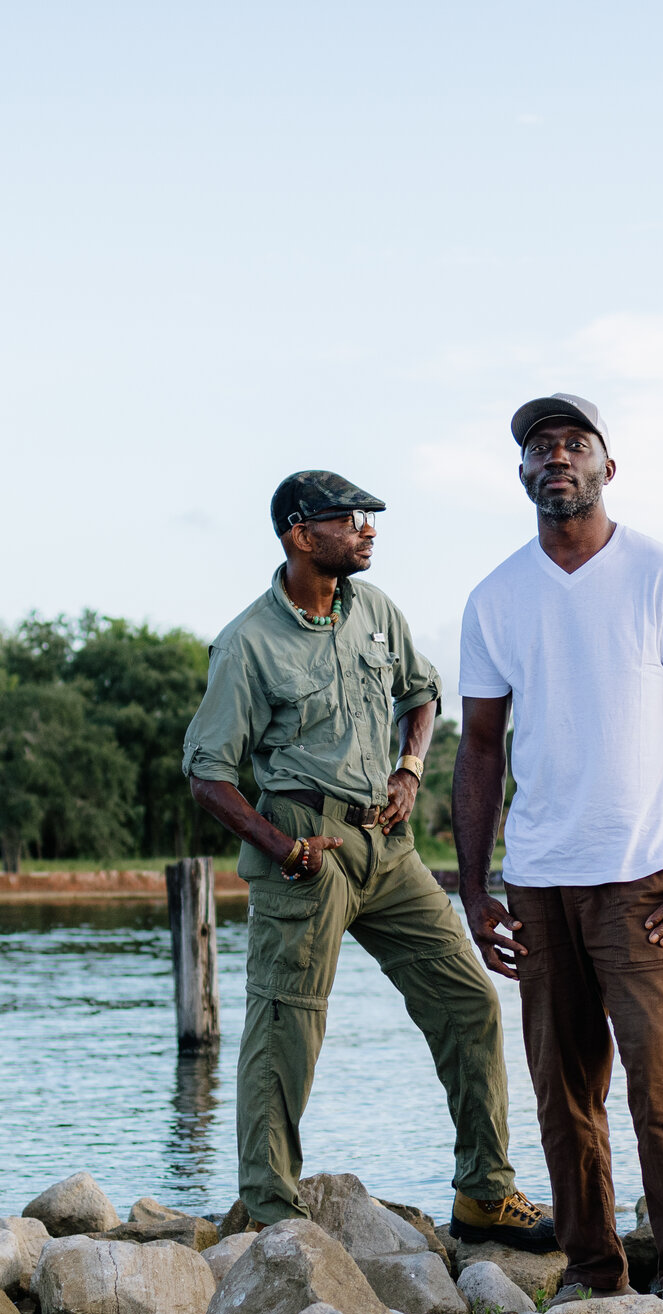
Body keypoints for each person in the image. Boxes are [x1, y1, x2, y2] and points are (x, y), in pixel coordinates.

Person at [181, 469, 553, 1247]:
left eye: (369, 518)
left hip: (386, 846)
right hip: (306, 848)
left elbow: (421, 694)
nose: (367, 529)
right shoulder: (248, 643)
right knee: (287, 1029)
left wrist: (410, 769)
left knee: (468, 1001)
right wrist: (281, 846)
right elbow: (207, 773)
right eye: (349, 518)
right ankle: (274, 1220)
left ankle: (485, 1192)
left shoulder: (376, 610)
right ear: (296, 531)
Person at [453, 396, 663, 1304]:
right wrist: (473, 888)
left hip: (645, 883)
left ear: (606, 469)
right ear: (523, 476)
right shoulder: (496, 597)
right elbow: (479, 749)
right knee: (563, 1098)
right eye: (540, 448)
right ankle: (593, 1277)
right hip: (539, 886)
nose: (557, 457)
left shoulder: (660, 575)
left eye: (575, 444)